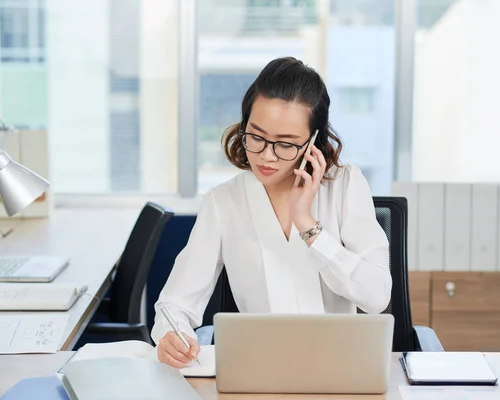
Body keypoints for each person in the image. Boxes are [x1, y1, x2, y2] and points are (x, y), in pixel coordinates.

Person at [152, 56, 392, 368]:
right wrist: (173, 335)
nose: (266, 155)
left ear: (313, 142)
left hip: (339, 371)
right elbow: (174, 304)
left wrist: (307, 225)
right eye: (256, 136)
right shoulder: (224, 201)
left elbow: (376, 297)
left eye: (286, 144)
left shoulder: (346, 187)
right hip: (258, 372)